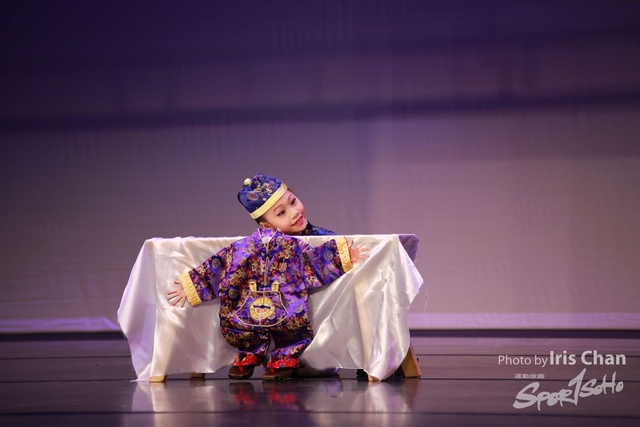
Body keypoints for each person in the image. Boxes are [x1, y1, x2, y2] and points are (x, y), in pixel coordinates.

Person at [167, 173, 368, 381]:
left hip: (315, 337)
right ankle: (253, 354)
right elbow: (219, 266)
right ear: (266, 226)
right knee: (241, 320)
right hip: (265, 315)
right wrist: (193, 285)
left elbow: (319, 264)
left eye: (293, 201)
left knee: (294, 326)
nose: (294, 213)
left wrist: (342, 257)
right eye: (281, 213)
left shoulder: (325, 240)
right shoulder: (248, 249)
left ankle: (290, 357)